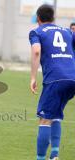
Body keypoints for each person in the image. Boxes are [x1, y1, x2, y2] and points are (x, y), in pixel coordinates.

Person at [29, 4, 75, 160]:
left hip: (55, 79)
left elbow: (36, 51)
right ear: (53, 18)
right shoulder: (68, 31)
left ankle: (40, 158)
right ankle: (54, 155)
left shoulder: (37, 32)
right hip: (73, 78)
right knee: (55, 115)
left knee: (45, 118)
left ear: (38, 18)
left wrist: (33, 77)